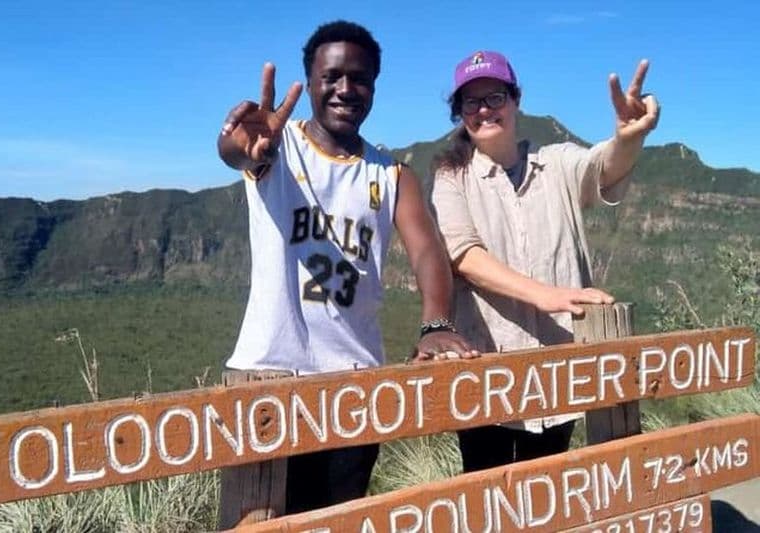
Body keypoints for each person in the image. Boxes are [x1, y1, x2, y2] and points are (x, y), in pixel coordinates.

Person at [216, 21, 476, 517]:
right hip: (266, 379)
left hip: (354, 390)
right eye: (331, 76)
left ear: (373, 87)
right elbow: (238, 154)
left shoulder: (391, 173)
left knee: (338, 518)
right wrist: (240, 146)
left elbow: (427, 249)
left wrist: (437, 324)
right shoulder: (277, 147)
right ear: (310, 81)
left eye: (359, 79)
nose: (345, 89)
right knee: (254, 520)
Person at [431, 50, 660, 472]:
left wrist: (629, 138)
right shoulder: (452, 178)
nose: (484, 109)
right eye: (471, 102)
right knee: (488, 501)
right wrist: (548, 296)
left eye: (495, 97)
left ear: (515, 100)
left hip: (560, 377)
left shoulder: (556, 164)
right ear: (459, 113)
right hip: (487, 378)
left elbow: (603, 168)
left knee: (550, 493)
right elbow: (465, 256)